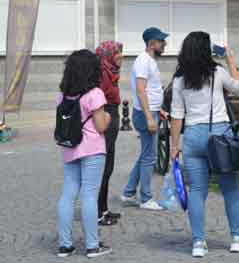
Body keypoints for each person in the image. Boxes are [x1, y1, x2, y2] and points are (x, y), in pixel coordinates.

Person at [169, 31, 239, 257]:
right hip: (220, 138)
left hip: (193, 137)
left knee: (196, 190)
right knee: (230, 188)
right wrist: (230, 59)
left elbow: (177, 115)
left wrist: (175, 146)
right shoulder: (218, 73)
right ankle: (236, 238)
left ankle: (198, 243)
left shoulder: (179, 79)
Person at [56, 50, 112, 258]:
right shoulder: (94, 93)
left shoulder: (62, 94)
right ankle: (92, 246)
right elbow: (100, 126)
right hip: (92, 149)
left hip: (70, 147)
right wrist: (106, 116)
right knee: (89, 195)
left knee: (68, 194)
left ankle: (65, 245)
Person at [121, 27, 168, 211]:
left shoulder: (149, 61)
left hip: (152, 111)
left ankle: (128, 192)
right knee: (150, 157)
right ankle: (146, 198)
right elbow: (141, 90)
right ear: (151, 43)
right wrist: (150, 117)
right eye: (161, 41)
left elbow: (151, 90)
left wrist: (159, 110)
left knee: (146, 155)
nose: (164, 44)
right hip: (145, 114)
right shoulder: (143, 61)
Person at [95, 41, 123, 226]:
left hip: (112, 113)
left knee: (109, 165)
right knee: (104, 167)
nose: (121, 57)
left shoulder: (110, 71)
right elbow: (101, 99)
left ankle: (104, 208)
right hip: (106, 115)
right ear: (109, 55)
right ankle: (99, 211)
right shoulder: (102, 74)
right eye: (118, 53)